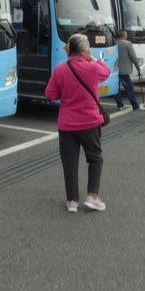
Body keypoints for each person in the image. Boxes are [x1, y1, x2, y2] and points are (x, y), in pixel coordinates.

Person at [44, 33, 112, 213]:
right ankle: (92, 197)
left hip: (66, 124)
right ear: (83, 50)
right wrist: (93, 59)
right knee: (95, 158)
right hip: (89, 122)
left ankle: (72, 201)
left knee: (69, 162)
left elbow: (50, 94)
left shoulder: (60, 69)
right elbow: (106, 71)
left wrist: (66, 94)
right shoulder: (91, 68)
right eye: (88, 47)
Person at [113, 30, 145, 110]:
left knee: (116, 88)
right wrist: (138, 67)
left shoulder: (113, 43)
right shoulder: (127, 43)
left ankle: (120, 105)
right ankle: (135, 105)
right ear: (124, 35)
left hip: (114, 69)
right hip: (124, 70)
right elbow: (133, 57)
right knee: (129, 88)